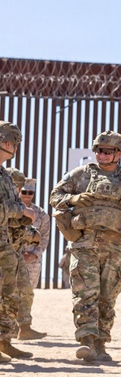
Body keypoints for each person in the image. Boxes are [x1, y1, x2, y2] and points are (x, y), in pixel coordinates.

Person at [49, 130, 121, 362]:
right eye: (98, 150)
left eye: (107, 151)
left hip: (115, 246)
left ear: (119, 153)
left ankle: (101, 343)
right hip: (84, 243)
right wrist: (73, 199)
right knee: (85, 292)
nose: (102, 155)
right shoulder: (80, 175)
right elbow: (55, 196)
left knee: (108, 296)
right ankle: (86, 341)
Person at [0, 123, 35, 361]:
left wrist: (23, 220)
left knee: (9, 293)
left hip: (4, 242)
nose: (14, 147)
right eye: (13, 142)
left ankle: (4, 340)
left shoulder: (5, 175)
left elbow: (11, 211)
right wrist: (21, 211)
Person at [17, 177, 50, 340]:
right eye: (24, 192)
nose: (27, 195)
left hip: (32, 260)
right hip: (12, 256)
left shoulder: (41, 214)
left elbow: (44, 237)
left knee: (27, 292)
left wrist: (33, 254)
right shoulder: (12, 209)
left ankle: (24, 328)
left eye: (30, 192)